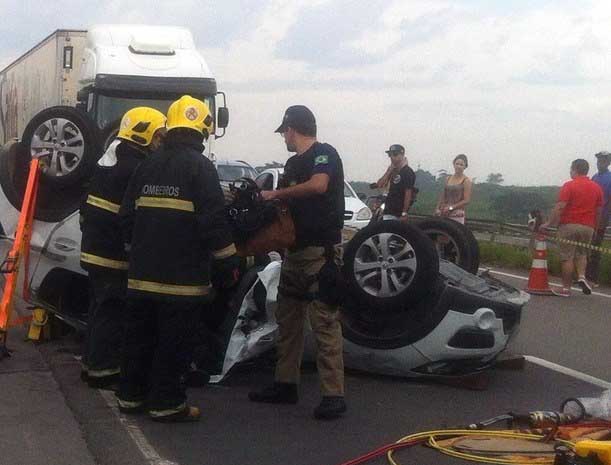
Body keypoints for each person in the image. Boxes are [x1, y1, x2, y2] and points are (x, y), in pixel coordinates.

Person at [117, 95, 240, 422]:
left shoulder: (147, 164)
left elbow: (126, 216)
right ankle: (167, 404)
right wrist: (229, 263)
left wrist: (138, 250)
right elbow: (213, 222)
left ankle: (130, 397)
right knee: (173, 344)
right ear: (201, 130)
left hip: (142, 277)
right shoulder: (201, 168)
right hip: (182, 283)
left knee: (139, 338)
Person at [248, 105, 347, 420]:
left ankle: (334, 395)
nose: (284, 138)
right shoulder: (291, 164)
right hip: (294, 253)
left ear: (292, 129)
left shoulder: (324, 154)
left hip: (321, 254)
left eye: (285, 132)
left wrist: (276, 194)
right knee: (287, 321)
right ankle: (285, 383)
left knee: (324, 324)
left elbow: (319, 185)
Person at [79, 107, 166, 388]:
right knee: (111, 311)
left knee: (99, 308)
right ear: (143, 135)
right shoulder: (135, 167)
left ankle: (91, 363)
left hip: (95, 248)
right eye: (158, 136)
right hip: (111, 253)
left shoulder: (111, 158)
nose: (160, 142)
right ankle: (103, 371)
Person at [541, 159, 603, 297]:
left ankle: (565, 289)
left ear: (575, 169)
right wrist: (596, 228)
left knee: (567, 257)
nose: (570, 171)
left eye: (571, 169)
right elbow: (599, 211)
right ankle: (581, 276)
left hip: (569, 225)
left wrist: (549, 223)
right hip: (588, 227)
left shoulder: (569, 186)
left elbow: (560, 207)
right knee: (582, 254)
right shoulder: (597, 188)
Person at [369, 144, 415, 221]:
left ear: (402, 155)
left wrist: (404, 213)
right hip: (388, 209)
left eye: (395, 154)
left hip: (398, 212)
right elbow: (380, 184)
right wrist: (389, 171)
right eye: (390, 155)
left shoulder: (407, 172)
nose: (392, 157)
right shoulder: (392, 170)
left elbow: (408, 193)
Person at [586, 151, 611, 287]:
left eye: (602, 161)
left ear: (608, 162)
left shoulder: (609, 178)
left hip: (601, 218)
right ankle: (583, 276)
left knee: (595, 248)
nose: (599, 163)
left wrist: (604, 218)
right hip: (589, 217)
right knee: (586, 247)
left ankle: (593, 278)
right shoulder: (595, 177)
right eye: (598, 160)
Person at [435, 154, 472, 224]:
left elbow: (466, 200)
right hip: (444, 212)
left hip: (457, 214)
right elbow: (443, 195)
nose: (458, 166)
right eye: (457, 164)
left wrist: (451, 208)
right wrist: (437, 208)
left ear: (465, 167)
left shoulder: (466, 181)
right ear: (453, 164)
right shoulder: (448, 178)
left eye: (461, 165)